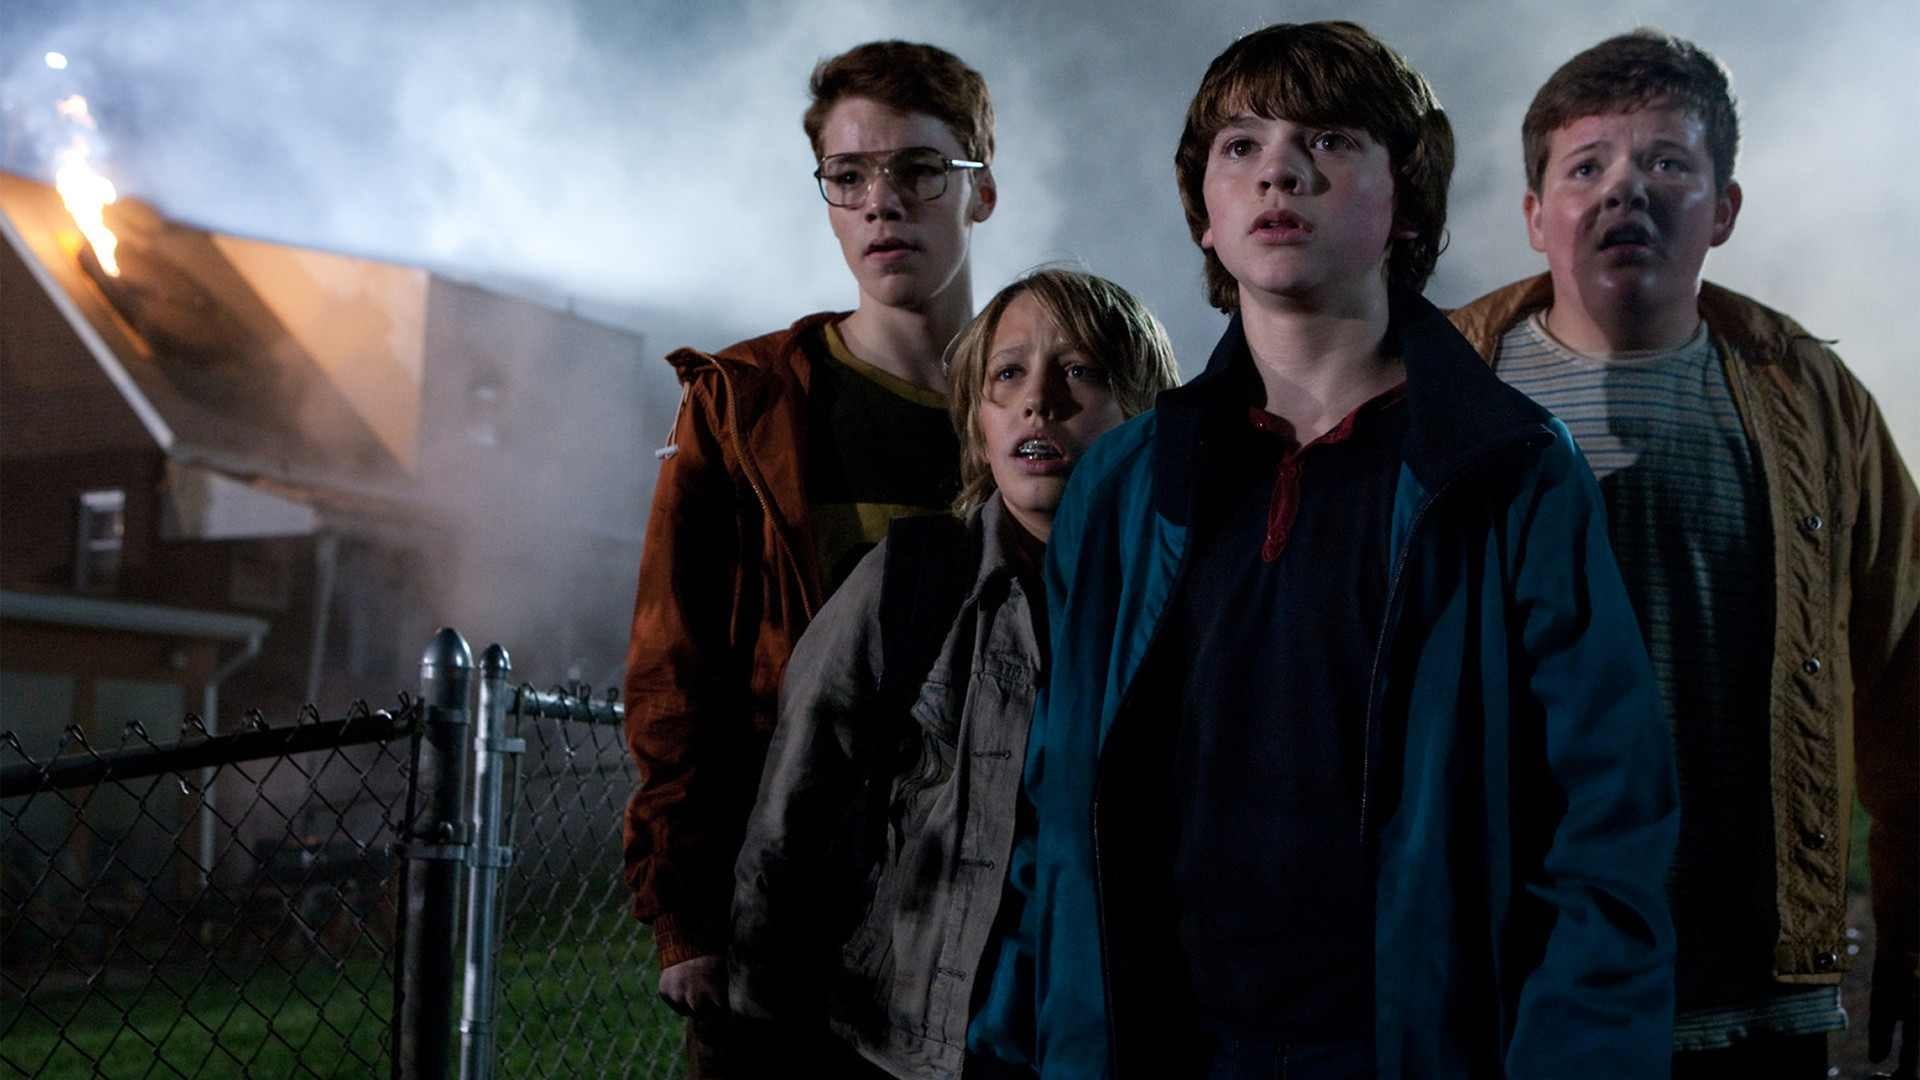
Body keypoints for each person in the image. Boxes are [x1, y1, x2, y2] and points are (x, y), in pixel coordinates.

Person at [967, 22, 1679, 1078]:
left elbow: (1608, 824)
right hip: (1166, 1048)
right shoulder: (1125, 486)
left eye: (1331, 140)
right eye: (1241, 145)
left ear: (1407, 198)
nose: (1280, 171)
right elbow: (1060, 813)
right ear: (1204, 212)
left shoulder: (1509, 472)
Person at [1449, 29, 1919, 1079]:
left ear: (1724, 209)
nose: (1626, 188)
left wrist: (1915, 926)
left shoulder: (1815, 400)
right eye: (1586, 166)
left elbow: (1908, 666)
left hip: (1755, 998)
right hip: (1515, 979)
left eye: (1667, 161)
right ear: (1535, 215)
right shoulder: (1443, 391)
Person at [619, 39, 997, 1076]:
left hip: (989, 910)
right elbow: (674, 668)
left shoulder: (1043, 407)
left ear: (982, 190)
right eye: (850, 175)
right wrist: (684, 915)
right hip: (792, 914)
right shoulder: (749, 408)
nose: (884, 203)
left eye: (920, 170)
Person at [729, 268, 1179, 1079]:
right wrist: (762, 1026)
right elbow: (789, 817)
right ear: (978, 421)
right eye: (1008, 374)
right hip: (918, 1051)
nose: (1039, 402)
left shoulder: (1192, 600)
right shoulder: (909, 581)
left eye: (1080, 371)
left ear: (1144, 411)